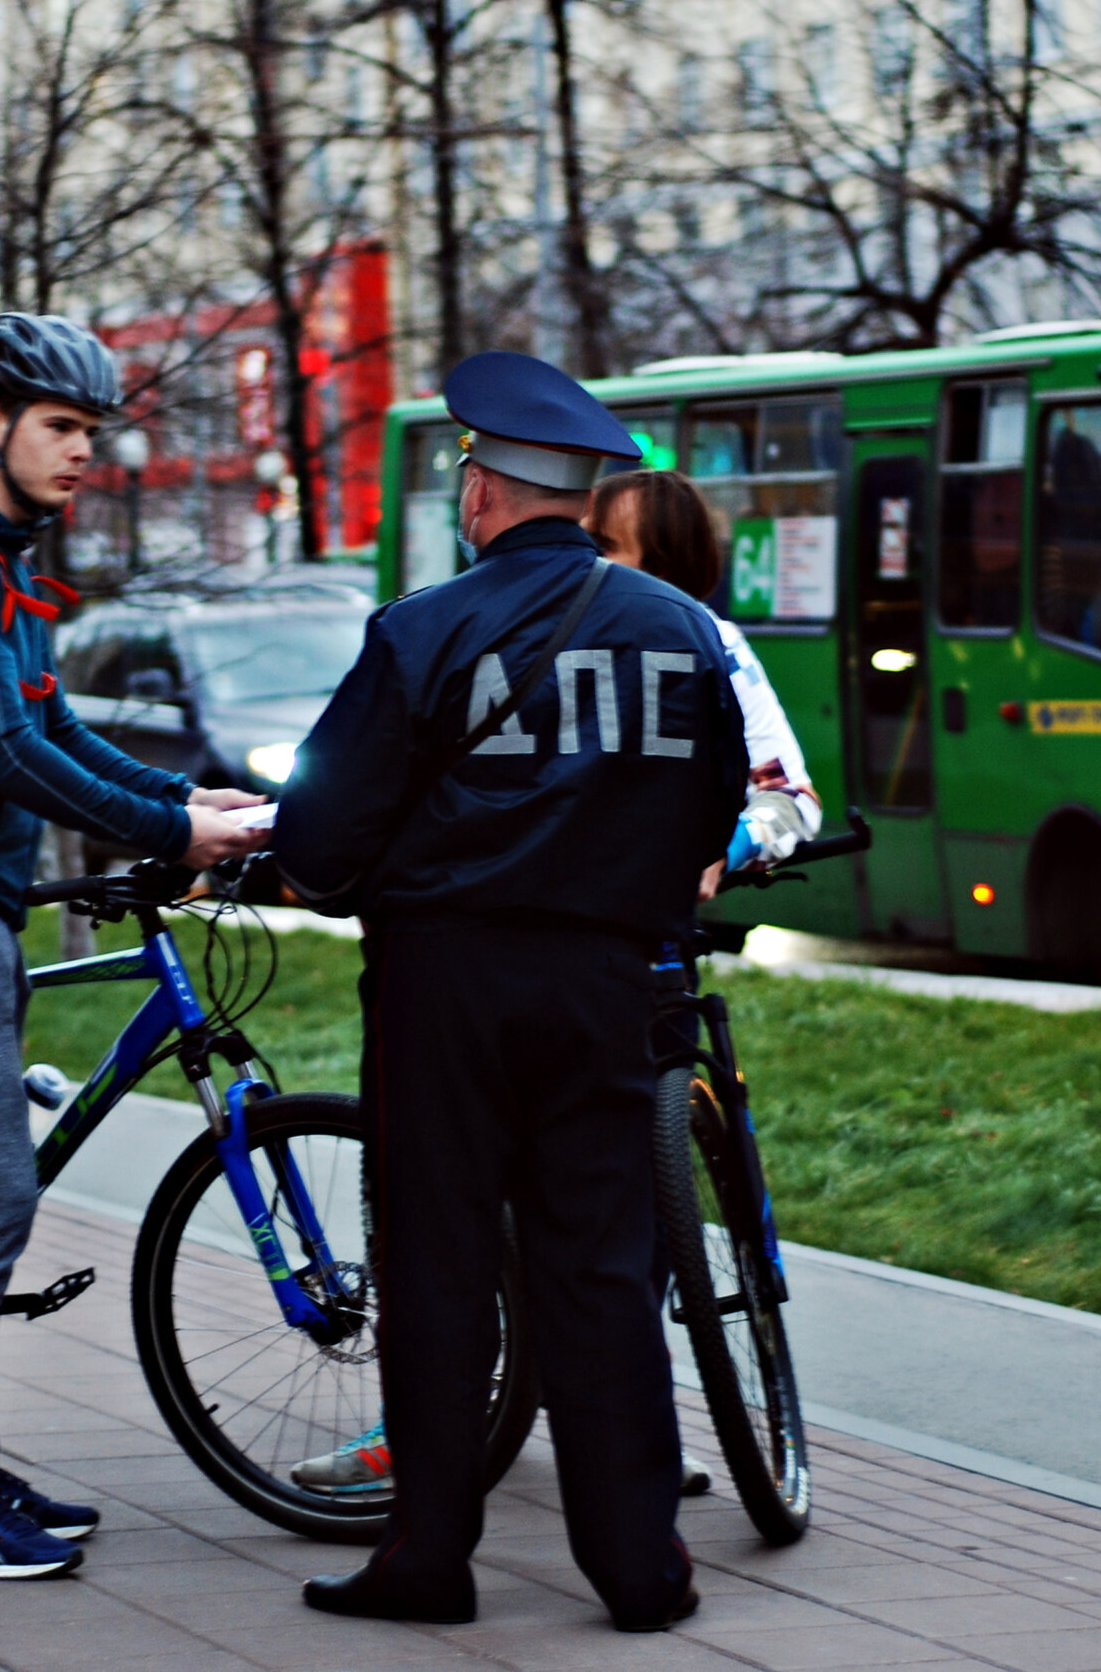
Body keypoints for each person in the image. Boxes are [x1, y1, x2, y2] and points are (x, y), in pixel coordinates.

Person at [272, 352, 747, 1632]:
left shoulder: (421, 629)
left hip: (444, 988)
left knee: (436, 1268)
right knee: (600, 1266)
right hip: (607, 985)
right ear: (584, 501)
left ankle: (429, 1557)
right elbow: (719, 813)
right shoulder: (684, 632)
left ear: (483, 491)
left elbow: (319, 837)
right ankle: (638, 1564)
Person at [0, 312, 263, 1581]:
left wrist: (191, 803)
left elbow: (55, 724)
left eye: (93, 432)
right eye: (63, 428)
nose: (85, 453)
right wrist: (164, 831)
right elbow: (1, 756)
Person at [586, 467, 819, 898]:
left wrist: (726, 849)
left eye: (599, 547)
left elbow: (790, 797)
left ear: (657, 570)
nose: (576, 559)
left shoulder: (718, 648)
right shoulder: (534, 629)